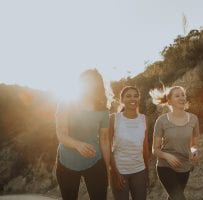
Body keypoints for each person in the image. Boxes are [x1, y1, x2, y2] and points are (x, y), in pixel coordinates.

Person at [55, 69, 110, 200]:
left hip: (95, 161)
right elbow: (61, 134)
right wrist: (77, 145)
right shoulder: (65, 103)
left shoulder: (103, 110)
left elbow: (105, 140)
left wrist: (106, 167)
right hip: (66, 161)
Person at [150, 86, 200, 200]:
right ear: (169, 101)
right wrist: (167, 156)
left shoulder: (194, 119)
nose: (182, 97)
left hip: (184, 166)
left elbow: (194, 145)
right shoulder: (161, 121)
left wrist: (194, 152)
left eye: (183, 95)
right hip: (165, 166)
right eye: (177, 96)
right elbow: (155, 149)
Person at [109, 86, 149, 200]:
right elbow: (108, 147)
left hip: (139, 171)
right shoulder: (114, 118)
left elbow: (145, 148)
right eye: (128, 96)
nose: (133, 98)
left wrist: (147, 172)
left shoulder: (144, 119)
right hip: (119, 171)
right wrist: (114, 172)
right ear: (122, 100)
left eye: (136, 96)